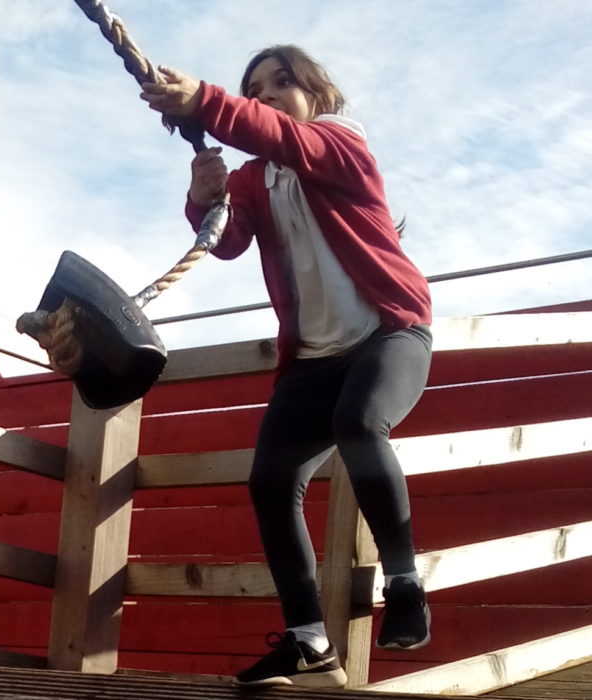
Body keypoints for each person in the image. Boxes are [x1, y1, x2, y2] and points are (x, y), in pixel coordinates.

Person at [140, 45, 433, 688]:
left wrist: (209, 102)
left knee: (360, 425)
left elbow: (268, 130)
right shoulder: (255, 179)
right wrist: (204, 198)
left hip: (389, 332)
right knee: (270, 482)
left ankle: (405, 584)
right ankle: (309, 643)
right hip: (314, 358)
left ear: (317, 96)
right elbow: (229, 239)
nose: (268, 94)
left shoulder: (340, 143)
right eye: (257, 87)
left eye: (281, 83)